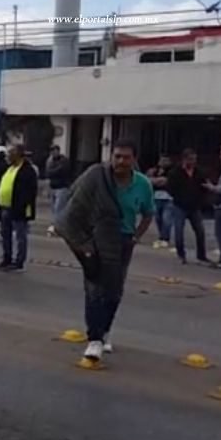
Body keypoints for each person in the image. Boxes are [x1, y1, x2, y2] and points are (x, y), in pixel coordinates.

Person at [55, 139, 154, 363]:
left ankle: (105, 330)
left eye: (126, 157)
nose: (121, 161)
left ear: (134, 160)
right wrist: (83, 241)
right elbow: (74, 205)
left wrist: (136, 236)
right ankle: (95, 339)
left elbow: (148, 213)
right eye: (117, 156)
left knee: (114, 290)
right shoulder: (96, 177)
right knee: (94, 288)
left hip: (123, 241)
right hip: (95, 239)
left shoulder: (142, 184)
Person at [0, 144, 39, 273]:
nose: (7, 156)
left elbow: (30, 191)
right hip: (5, 207)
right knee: (5, 235)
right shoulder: (9, 168)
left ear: (18, 155)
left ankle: (19, 261)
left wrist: (23, 206)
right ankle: (6, 258)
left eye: (10, 154)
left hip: (18, 209)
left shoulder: (27, 170)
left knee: (20, 236)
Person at [166, 148, 211, 265]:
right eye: (191, 159)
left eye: (194, 159)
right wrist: (178, 196)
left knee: (200, 231)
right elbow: (170, 188)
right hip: (180, 206)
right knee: (179, 232)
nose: (193, 162)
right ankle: (181, 255)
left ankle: (201, 256)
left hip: (194, 206)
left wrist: (201, 200)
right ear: (184, 159)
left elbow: (204, 186)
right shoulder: (175, 172)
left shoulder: (199, 172)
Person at [147, 154, 174, 246]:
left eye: (166, 160)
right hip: (156, 197)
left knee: (167, 219)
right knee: (158, 218)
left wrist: (157, 181)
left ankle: (165, 238)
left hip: (169, 198)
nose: (163, 162)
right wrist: (158, 180)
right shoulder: (154, 171)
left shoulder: (172, 172)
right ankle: (161, 236)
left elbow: (167, 181)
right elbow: (148, 181)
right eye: (162, 160)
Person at [45, 145, 72, 226]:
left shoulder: (64, 160)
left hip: (62, 187)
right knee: (53, 208)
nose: (53, 152)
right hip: (52, 186)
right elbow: (47, 172)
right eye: (51, 151)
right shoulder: (49, 161)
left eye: (54, 150)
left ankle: (58, 225)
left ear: (58, 151)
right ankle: (56, 223)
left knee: (59, 207)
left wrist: (53, 172)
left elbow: (62, 170)